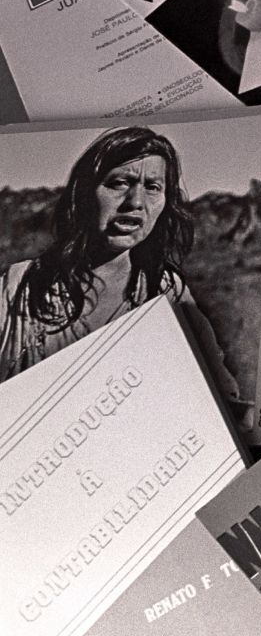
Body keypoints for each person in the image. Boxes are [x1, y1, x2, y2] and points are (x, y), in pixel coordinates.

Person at [0, 127, 244, 419]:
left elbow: (223, 399)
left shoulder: (167, 291)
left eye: (152, 187)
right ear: (84, 193)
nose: (135, 202)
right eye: (119, 183)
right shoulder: (20, 287)